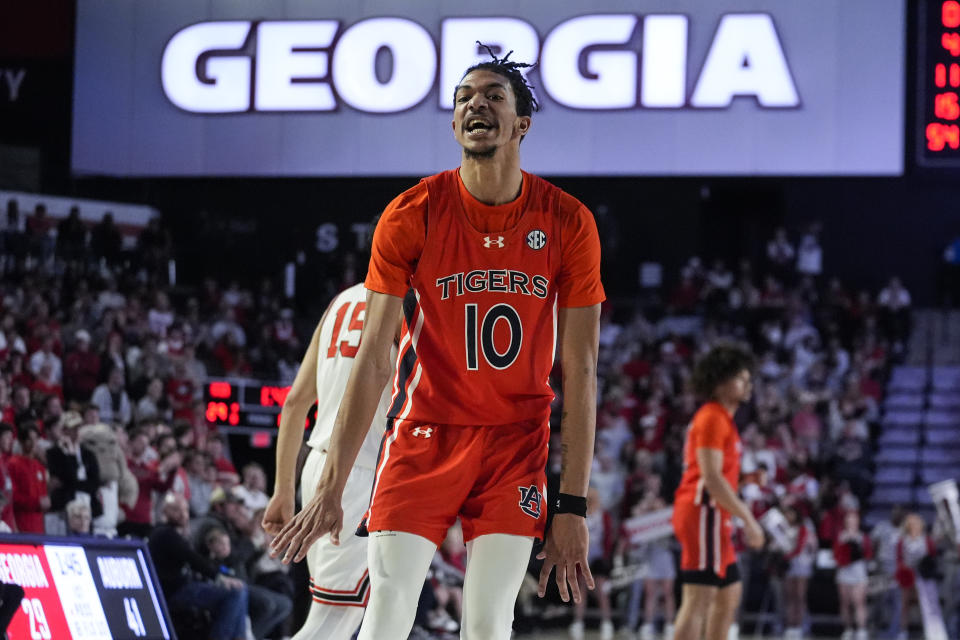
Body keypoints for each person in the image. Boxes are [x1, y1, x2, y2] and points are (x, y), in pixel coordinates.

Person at [270, 46, 604, 640]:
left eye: (494, 96)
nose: (477, 104)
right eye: (465, 99)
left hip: (513, 445)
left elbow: (579, 370)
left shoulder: (568, 220)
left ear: (521, 124)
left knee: (487, 624)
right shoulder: (411, 212)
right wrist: (328, 489)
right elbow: (374, 360)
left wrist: (571, 504)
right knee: (386, 616)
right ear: (454, 125)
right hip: (423, 435)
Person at [262, 278, 396, 640]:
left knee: (358, 612)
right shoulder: (405, 302)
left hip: (318, 468)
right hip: (359, 472)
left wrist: (283, 490)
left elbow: (294, 403)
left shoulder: (341, 301)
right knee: (332, 621)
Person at [671, 344, 765, 640]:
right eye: (740, 378)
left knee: (729, 594)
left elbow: (716, 474)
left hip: (712, 513)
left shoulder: (723, 419)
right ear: (720, 382)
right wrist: (749, 518)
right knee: (699, 598)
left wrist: (746, 478)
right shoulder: (712, 417)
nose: (748, 383)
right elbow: (710, 478)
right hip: (703, 511)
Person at [149, 493, 248, 640]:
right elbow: (192, 559)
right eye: (177, 510)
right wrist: (219, 577)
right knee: (235, 593)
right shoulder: (164, 533)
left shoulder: (178, 533)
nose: (183, 514)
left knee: (240, 589)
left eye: (185, 510)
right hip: (173, 592)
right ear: (165, 512)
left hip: (185, 586)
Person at [834, 510, 872, 640]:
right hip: (844, 572)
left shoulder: (863, 537)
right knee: (845, 602)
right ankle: (848, 629)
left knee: (859, 602)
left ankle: (861, 629)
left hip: (858, 572)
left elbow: (868, 554)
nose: (851, 521)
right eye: (849, 519)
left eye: (854, 519)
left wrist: (858, 553)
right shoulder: (841, 536)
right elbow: (836, 554)